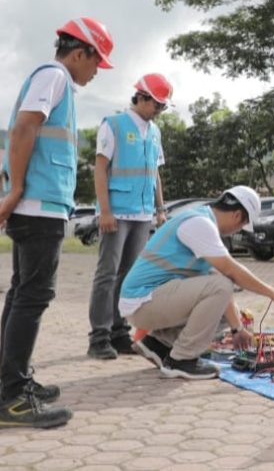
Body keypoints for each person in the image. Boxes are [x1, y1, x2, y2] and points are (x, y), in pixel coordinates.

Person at [0, 17, 115, 429]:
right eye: (97, 63)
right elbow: (25, 127)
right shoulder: (54, 75)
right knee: (33, 296)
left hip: (38, 204)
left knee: (22, 293)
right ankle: (12, 400)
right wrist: (16, 190)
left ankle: (14, 382)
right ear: (80, 53)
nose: (96, 73)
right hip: (37, 205)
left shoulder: (54, 79)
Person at [120, 186, 274, 379]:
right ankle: (182, 360)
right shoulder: (200, 224)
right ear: (237, 216)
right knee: (221, 288)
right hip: (142, 302)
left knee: (226, 308)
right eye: (241, 226)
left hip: (150, 300)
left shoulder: (201, 222)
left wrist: (237, 328)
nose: (236, 232)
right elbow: (231, 271)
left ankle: (158, 344)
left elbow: (219, 278)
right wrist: (273, 293)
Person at [87, 73, 174, 360]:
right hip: (117, 212)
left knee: (128, 276)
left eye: (163, 107)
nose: (159, 111)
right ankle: (99, 337)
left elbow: (155, 174)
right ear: (142, 97)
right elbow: (100, 169)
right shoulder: (113, 125)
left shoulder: (155, 132)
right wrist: (105, 210)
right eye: (157, 105)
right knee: (107, 274)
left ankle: (119, 333)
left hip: (142, 214)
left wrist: (160, 210)